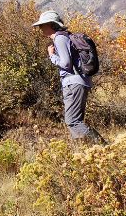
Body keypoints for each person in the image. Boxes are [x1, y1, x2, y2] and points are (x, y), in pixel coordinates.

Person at [33, 10, 103, 142]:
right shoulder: (64, 37)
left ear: (51, 24)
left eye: (42, 25)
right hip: (80, 81)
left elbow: (66, 64)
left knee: (72, 121)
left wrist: (52, 56)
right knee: (76, 121)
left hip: (73, 83)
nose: (40, 28)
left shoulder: (60, 38)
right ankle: (87, 150)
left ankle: (103, 147)